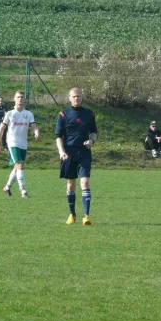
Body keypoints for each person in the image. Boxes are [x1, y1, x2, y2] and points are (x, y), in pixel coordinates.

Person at [55, 88, 98, 226]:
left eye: (79, 96)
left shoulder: (89, 113)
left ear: (82, 97)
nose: (76, 98)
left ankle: (86, 216)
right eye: (74, 96)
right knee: (71, 184)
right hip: (69, 154)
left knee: (85, 182)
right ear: (69, 98)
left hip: (84, 153)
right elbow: (58, 136)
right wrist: (61, 152)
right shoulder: (63, 114)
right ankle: (72, 215)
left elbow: (94, 132)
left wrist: (91, 141)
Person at [0, 91, 40, 198]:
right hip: (12, 142)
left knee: (17, 167)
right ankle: (23, 190)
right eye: (18, 97)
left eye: (22, 97)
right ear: (14, 99)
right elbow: (1, 129)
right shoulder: (9, 114)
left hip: (23, 143)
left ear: (24, 100)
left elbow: (34, 126)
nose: (20, 99)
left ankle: (7, 187)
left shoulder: (28, 114)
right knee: (19, 164)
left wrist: (36, 132)